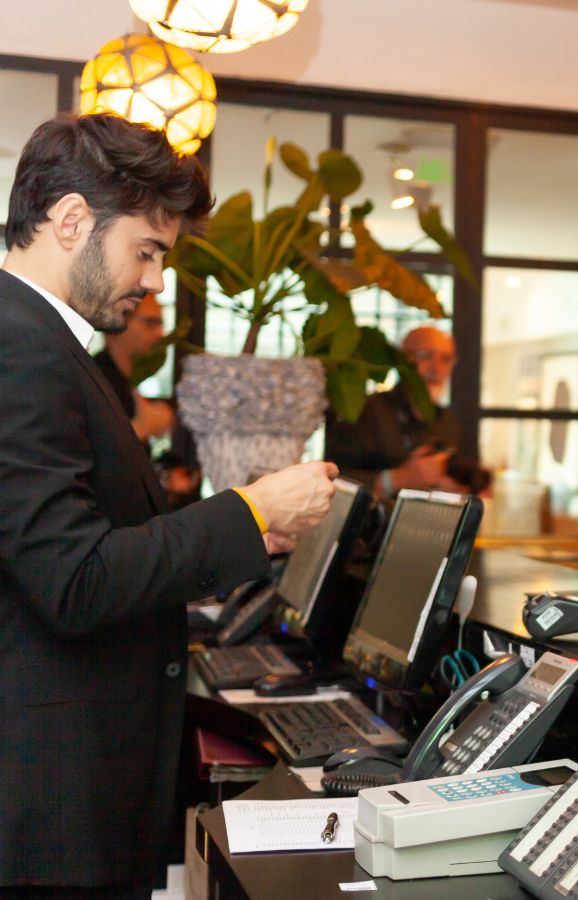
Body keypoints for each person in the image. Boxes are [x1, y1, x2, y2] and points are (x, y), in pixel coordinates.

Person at [0, 113, 339, 896]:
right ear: (71, 220)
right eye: (146, 251)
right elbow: (75, 579)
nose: (156, 280)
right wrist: (250, 511)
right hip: (46, 809)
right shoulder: (21, 346)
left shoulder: (48, 344)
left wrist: (250, 530)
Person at [325, 324, 489, 496]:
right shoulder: (365, 411)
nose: (437, 368)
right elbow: (333, 478)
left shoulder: (448, 420)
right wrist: (396, 479)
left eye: (446, 359)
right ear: (401, 359)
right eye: (425, 356)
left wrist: (452, 488)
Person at [93, 291, 175, 445]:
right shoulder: (96, 381)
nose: (160, 333)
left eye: (160, 323)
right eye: (151, 322)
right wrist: (145, 427)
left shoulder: (125, 378)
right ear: (117, 322)